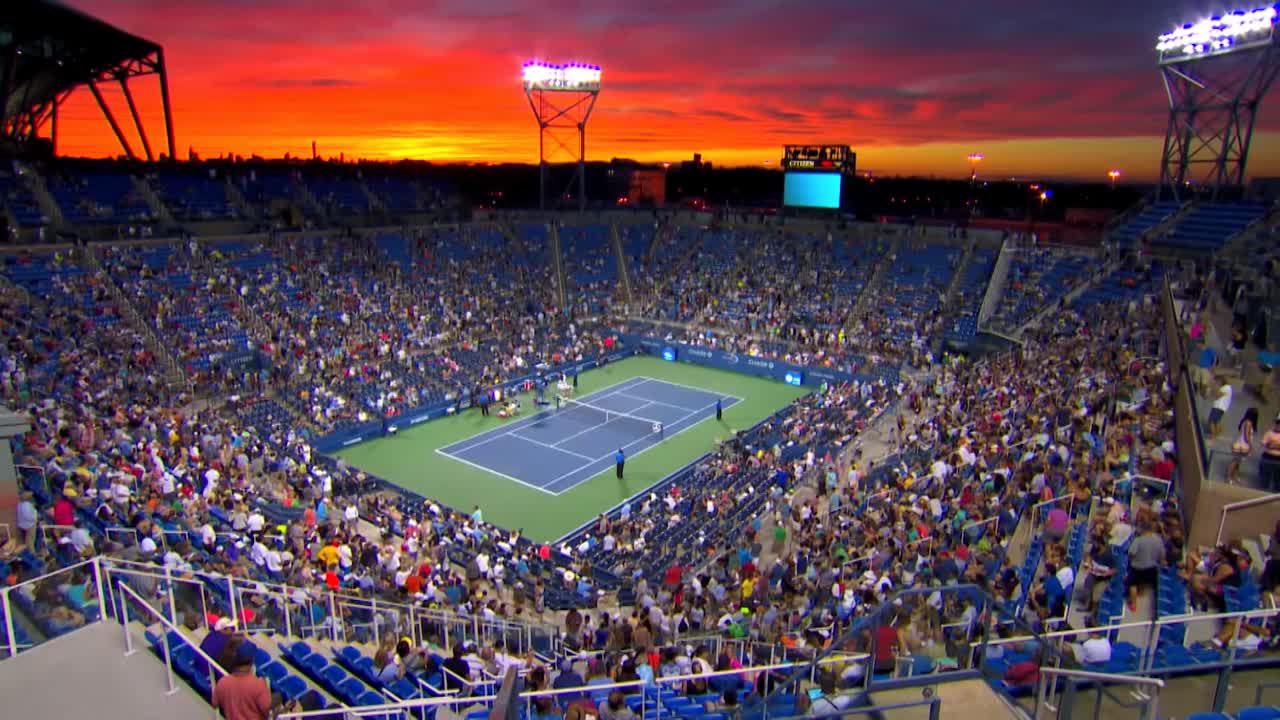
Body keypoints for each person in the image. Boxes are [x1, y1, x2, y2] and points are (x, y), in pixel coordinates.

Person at [211, 638, 273, 720]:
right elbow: (269, 712)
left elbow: (215, 704)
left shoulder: (223, 682)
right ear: (251, 661)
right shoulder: (258, 684)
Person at [1228, 407, 1259, 485]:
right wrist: (1251, 446)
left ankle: (1234, 477)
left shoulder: (1245, 421)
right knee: (1235, 462)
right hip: (1242, 445)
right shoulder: (1248, 423)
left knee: (1238, 462)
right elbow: (1246, 436)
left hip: (1242, 444)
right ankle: (1229, 477)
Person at [1260, 413, 1280, 492]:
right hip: (1267, 458)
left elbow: (1270, 445)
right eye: (1278, 423)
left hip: (1278, 460)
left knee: (1278, 479)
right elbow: (1264, 443)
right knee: (1265, 477)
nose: (1278, 425)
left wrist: (1274, 445)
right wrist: (1274, 446)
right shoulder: (1269, 433)